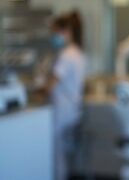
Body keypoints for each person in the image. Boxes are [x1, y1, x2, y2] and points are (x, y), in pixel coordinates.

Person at [41, 11, 85, 180]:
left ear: (65, 31)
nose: (53, 36)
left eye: (54, 32)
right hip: (70, 109)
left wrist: (39, 90)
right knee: (61, 155)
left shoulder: (67, 55)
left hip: (62, 110)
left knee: (57, 155)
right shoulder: (76, 52)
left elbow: (49, 86)